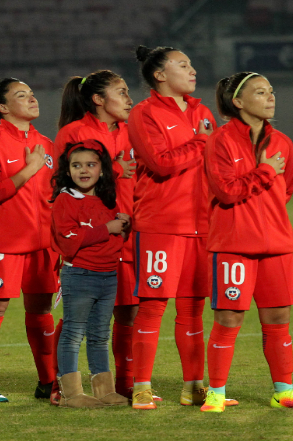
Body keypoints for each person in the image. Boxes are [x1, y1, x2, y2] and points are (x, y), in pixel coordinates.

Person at [201, 72, 293, 412]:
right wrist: (265, 171)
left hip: (277, 245)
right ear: (238, 102)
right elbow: (225, 191)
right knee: (228, 319)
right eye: (260, 92)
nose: (270, 97)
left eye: (271, 91)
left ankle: (283, 390)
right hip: (234, 245)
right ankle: (217, 393)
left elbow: (289, 187)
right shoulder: (220, 141)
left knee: (278, 317)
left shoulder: (282, 141)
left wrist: (266, 215)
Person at [127, 45, 219, 409]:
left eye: (192, 63)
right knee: (152, 307)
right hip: (161, 223)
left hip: (202, 224)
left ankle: (193, 385)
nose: (192, 69)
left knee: (193, 308)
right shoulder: (144, 113)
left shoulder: (201, 110)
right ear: (160, 75)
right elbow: (161, 164)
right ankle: (141, 386)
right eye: (183, 65)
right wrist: (200, 141)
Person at [0, 78, 58, 403]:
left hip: (43, 244)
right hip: (2, 242)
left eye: (32, 93)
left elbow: (55, 196)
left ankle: (48, 382)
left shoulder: (46, 143)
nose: (32, 99)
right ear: (3, 108)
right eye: (22, 95)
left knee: (41, 310)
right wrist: (29, 169)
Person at [54, 70, 139, 399]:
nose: (129, 98)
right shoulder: (75, 133)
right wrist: (115, 168)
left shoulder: (132, 132)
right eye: (121, 91)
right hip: (89, 241)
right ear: (98, 99)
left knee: (127, 312)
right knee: (77, 319)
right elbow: (65, 183)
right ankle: (59, 384)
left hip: (127, 235)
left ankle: (123, 384)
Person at [50, 139, 130, 408]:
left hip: (109, 275)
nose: (83, 170)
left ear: (103, 170)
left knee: (99, 334)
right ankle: (71, 393)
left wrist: (124, 226)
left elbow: (113, 237)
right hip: (80, 274)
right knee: (73, 333)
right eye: (76, 165)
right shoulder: (65, 199)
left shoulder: (107, 199)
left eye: (90, 165)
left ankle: (103, 390)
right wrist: (108, 228)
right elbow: (68, 240)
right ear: (67, 169)